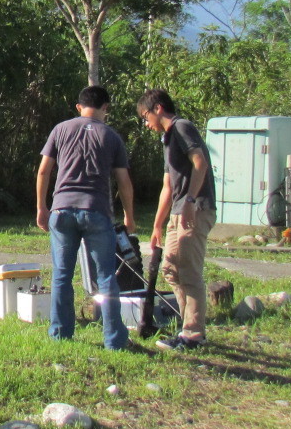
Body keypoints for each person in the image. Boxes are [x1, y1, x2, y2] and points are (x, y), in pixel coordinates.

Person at [36, 85, 136, 350]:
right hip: (96, 210)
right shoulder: (111, 136)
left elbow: (44, 171)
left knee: (61, 275)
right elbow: (124, 181)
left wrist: (41, 208)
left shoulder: (60, 129)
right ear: (106, 108)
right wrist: (129, 217)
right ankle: (114, 339)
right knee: (105, 277)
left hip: (61, 210)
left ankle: (60, 334)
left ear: (79, 107)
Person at [138, 88, 215, 351]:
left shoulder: (182, 127)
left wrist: (192, 200)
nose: (146, 123)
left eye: (145, 116)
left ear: (158, 108)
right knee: (170, 268)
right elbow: (167, 186)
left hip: (195, 209)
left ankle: (194, 335)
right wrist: (157, 225)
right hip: (177, 212)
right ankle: (186, 327)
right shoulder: (168, 139)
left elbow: (200, 162)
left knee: (189, 272)